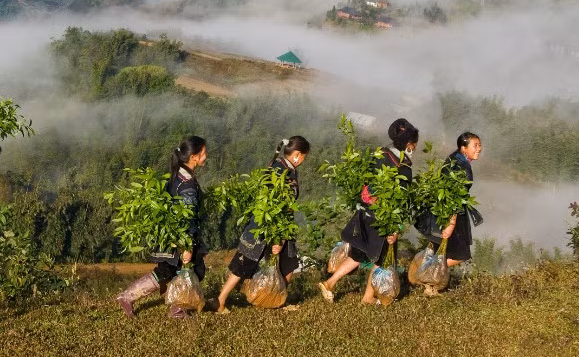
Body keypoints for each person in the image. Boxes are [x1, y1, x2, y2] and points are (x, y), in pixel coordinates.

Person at [318, 119, 418, 304]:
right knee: (380, 257)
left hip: (366, 212)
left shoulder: (380, 154)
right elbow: (399, 199)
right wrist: (394, 227)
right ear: (410, 144)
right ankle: (367, 298)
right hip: (383, 218)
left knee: (360, 253)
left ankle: (330, 282)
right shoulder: (402, 167)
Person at [212, 136, 311, 314]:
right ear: (297, 154)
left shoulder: (284, 167)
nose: (304, 160)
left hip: (280, 226)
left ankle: (275, 299)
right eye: (304, 156)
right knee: (245, 262)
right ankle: (221, 300)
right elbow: (278, 206)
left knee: (288, 264)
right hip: (270, 226)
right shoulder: (282, 172)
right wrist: (278, 238)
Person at [115, 136, 208, 319]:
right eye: (204, 153)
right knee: (190, 270)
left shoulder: (178, 175)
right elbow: (186, 217)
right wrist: (186, 244)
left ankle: (172, 306)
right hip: (179, 237)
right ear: (194, 157)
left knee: (169, 271)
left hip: (170, 235)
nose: (206, 157)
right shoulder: (187, 184)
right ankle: (171, 305)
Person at [435, 132, 482, 267]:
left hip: (444, 210)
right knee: (461, 254)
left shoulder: (454, 159)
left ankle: (431, 284)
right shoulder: (462, 167)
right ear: (464, 148)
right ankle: (428, 272)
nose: (479, 148)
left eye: (480, 145)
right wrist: (452, 222)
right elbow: (455, 196)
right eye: (475, 145)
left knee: (444, 251)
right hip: (454, 214)